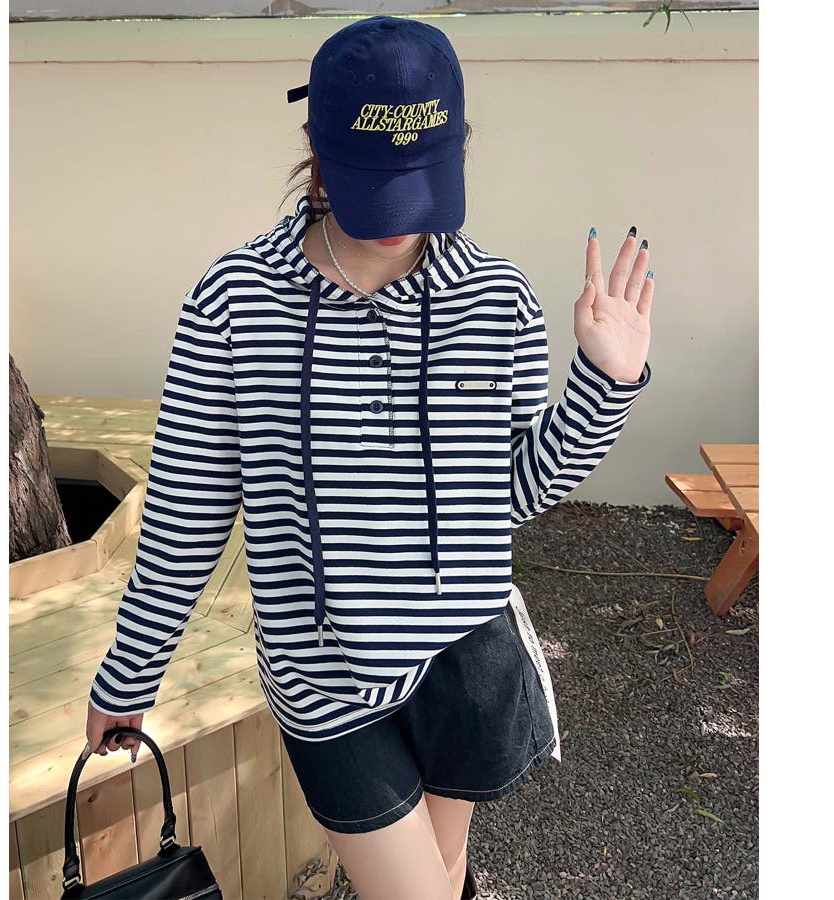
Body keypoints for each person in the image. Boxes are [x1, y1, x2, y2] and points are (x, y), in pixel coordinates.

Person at [84, 15, 653, 900]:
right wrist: (132, 668)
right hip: (324, 682)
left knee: (444, 875)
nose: (397, 222)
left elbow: (507, 493)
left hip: (467, 659)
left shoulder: (496, 298)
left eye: (419, 182)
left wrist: (605, 385)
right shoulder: (236, 301)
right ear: (317, 150)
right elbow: (187, 512)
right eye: (371, 184)